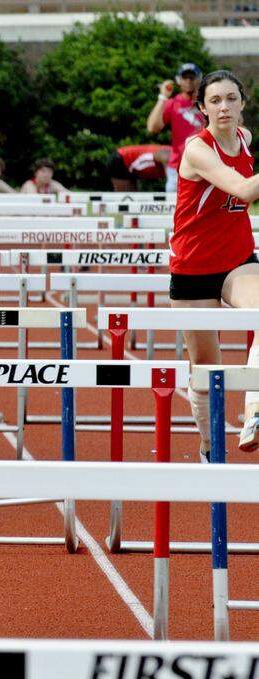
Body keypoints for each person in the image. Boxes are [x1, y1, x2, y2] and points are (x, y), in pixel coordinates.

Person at [167, 70, 259, 459]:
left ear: (242, 103)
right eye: (215, 101)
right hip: (193, 267)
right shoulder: (197, 150)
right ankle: (209, 447)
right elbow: (243, 189)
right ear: (202, 109)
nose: (224, 107)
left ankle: (254, 412)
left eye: (231, 99)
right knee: (205, 369)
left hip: (237, 259)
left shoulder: (245, 138)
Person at [148, 63, 205, 192]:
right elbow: (152, 127)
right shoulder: (173, 103)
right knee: (173, 205)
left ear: (199, 79)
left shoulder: (207, 102)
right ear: (179, 80)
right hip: (177, 167)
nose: (188, 81)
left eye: (192, 77)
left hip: (203, 167)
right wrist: (163, 97)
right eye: (185, 77)